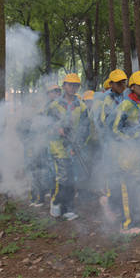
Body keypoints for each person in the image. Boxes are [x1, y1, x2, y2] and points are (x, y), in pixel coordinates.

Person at [109, 70, 140, 235]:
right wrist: (135, 136)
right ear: (133, 87)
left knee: (135, 188)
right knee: (126, 190)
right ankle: (126, 225)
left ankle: (133, 218)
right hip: (125, 156)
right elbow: (114, 130)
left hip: (138, 155)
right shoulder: (125, 105)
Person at [47, 73, 89, 221]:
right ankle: (56, 202)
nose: (72, 87)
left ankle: (68, 208)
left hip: (73, 146)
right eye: (70, 84)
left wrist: (77, 144)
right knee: (63, 176)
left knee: (71, 177)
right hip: (57, 146)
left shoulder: (82, 106)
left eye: (76, 85)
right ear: (64, 86)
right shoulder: (54, 106)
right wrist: (55, 129)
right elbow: (45, 124)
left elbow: (85, 128)